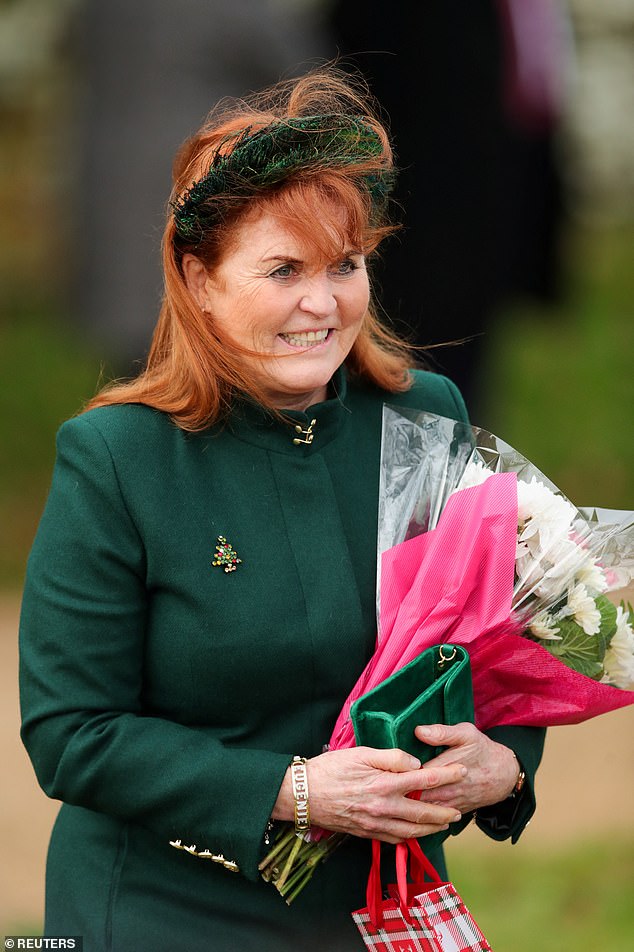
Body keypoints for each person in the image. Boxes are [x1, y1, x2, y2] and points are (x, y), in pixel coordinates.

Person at [19, 67, 545, 951]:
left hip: (381, 907)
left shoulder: (426, 417)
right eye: (283, 269)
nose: (322, 301)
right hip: (165, 912)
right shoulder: (116, 458)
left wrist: (505, 766)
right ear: (200, 279)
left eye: (346, 264)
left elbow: (497, 652)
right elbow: (72, 734)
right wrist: (294, 790)